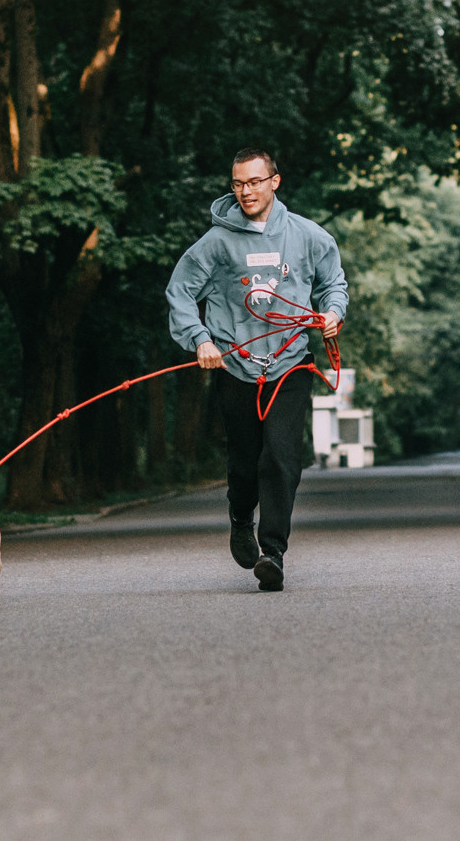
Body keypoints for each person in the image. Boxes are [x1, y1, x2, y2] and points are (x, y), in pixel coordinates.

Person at [165, 147, 347, 592]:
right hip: (237, 368)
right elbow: (180, 292)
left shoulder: (307, 236)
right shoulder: (216, 243)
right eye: (238, 183)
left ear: (274, 182)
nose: (246, 191)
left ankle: (273, 553)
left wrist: (332, 312)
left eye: (254, 181)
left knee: (281, 458)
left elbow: (332, 283)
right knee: (245, 464)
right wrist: (201, 340)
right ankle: (240, 516)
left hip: (290, 364)